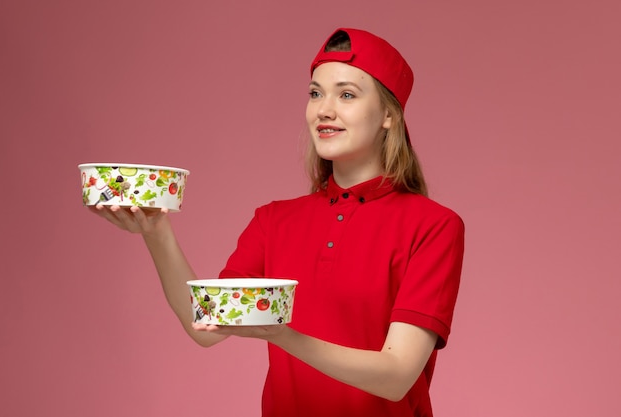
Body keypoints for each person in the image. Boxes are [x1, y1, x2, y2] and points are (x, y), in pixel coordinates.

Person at [90, 28, 465, 417]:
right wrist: (157, 232)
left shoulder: (434, 226)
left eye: (347, 94)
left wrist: (284, 337)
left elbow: (396, 376)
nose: (324, 109)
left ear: (389, 114)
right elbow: (205, 324)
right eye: (316, 93)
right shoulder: (274, 220)